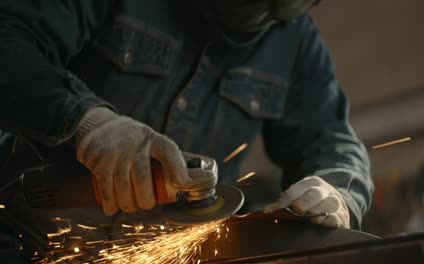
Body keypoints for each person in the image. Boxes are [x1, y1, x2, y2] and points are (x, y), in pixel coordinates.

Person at [0, 0, 373, 255]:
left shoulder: (297, 44)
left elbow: (335, 145)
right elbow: (9, 40)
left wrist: (337, 193)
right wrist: (87, 122)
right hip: (23, 236)